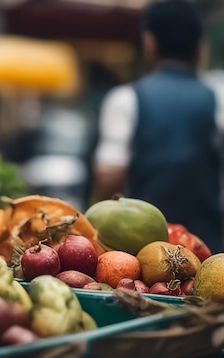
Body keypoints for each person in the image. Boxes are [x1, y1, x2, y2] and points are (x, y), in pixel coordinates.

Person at [92, 0, 224, 253]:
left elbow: (109, 176)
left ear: (149, 42)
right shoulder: (218, 97)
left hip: (143, 257)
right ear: (200, 48)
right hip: (205, 250)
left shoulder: (126, 99)